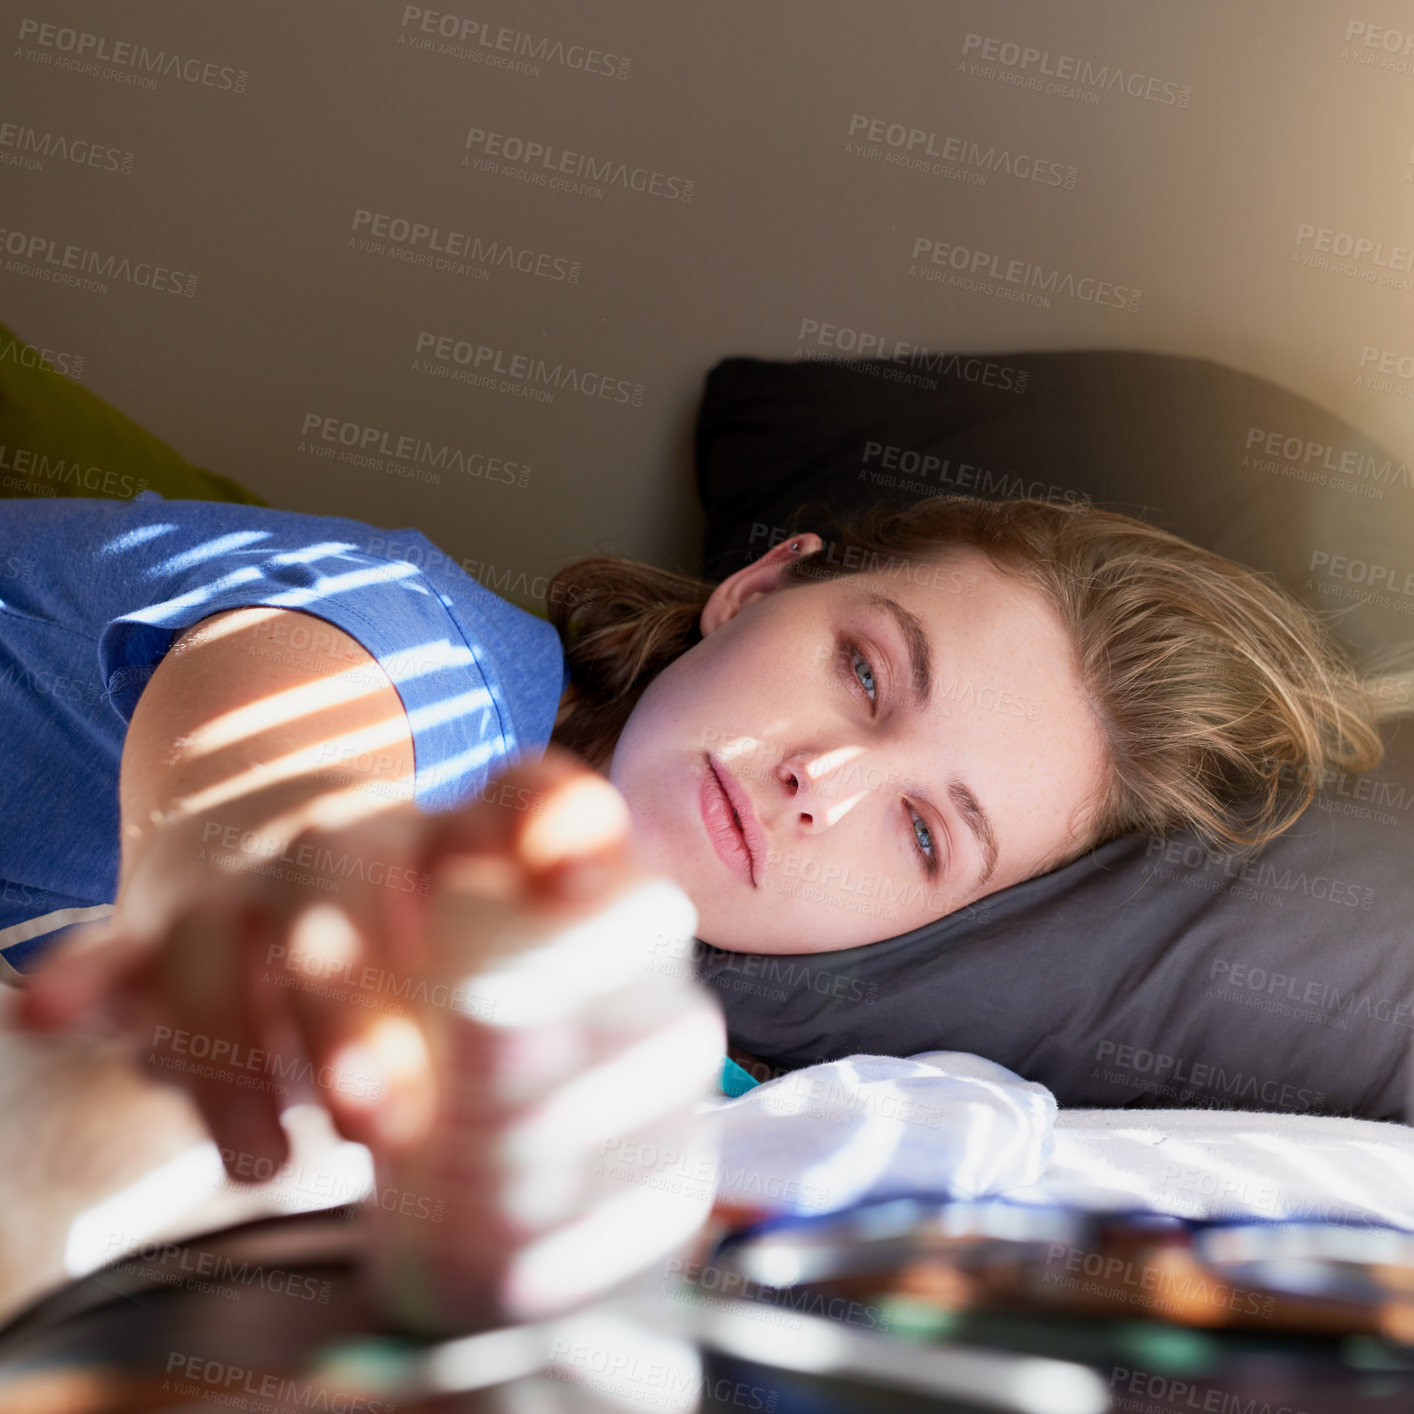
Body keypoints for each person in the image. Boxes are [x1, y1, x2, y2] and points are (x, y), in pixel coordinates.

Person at [4, 490, 1403, 1305]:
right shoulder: (419, 644)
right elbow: (263, 830)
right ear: (757, 586)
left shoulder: (706, 1094)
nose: (824, 781)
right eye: (865, 673)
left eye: (923, 831)